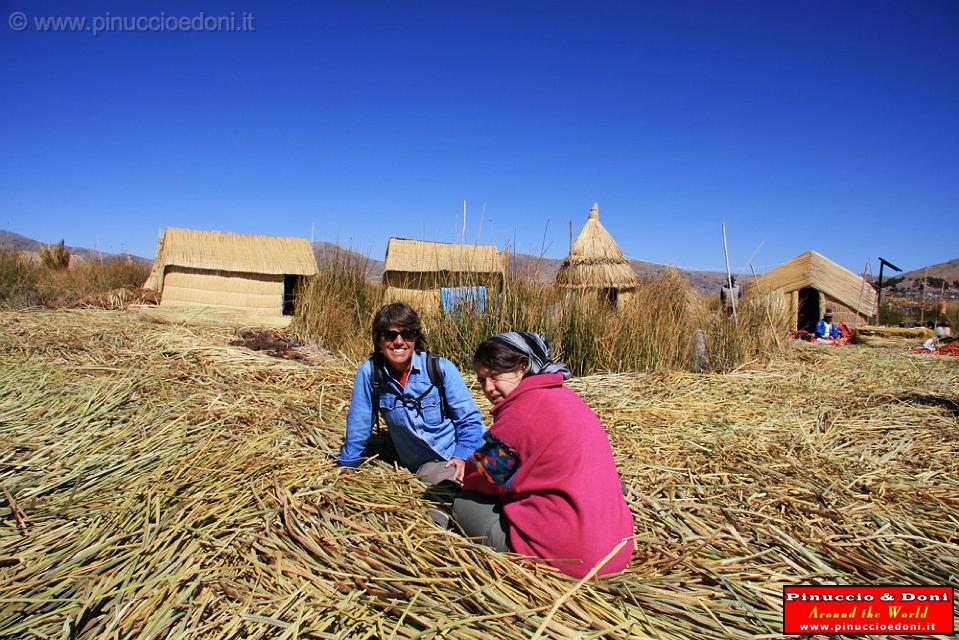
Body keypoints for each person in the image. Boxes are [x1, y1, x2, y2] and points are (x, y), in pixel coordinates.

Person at [452, 332, 634, 579]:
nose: (488, 388)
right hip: (617, 552)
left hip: (572, 561)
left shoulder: (519, 413)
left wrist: (468, 471)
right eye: (482, 380)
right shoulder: (567, 397)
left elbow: (480, 478)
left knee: (464, 504)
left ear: (522, 367)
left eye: (495, 376)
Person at [337, 303, 485, 485]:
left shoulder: (440, 368)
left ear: (416, 337)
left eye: (407, 334)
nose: (399, 342)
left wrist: (462, 456)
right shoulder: (370, 374)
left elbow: (469, 421)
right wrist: (346, 468)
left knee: (505, 479)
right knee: (452, 487)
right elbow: (359, 425)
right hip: (427, 465)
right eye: (390, 335)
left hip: (466, 449)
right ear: (378, 339)